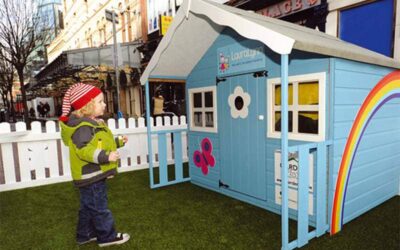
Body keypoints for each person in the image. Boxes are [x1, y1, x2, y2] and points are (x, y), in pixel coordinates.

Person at [59, 83, 130, 247]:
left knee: (88, 206)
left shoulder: (93, 123)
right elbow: (84, 150)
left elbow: (100, 143)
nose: (104, 104)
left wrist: (118, 141)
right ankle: (107, 237)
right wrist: (106, 157)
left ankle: (85, 234)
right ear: (87, 106)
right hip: (91, 175)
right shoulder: (83, 127)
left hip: (91, 174)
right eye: (100, 101)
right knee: (99, 207)